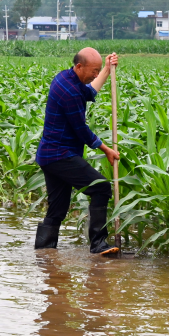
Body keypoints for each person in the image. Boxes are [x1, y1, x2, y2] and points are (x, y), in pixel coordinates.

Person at [34, 48, 121, 256]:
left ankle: (44, 255)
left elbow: (89, 91)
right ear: (79, 66)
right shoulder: (69, 91)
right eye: (94, 70)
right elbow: (81, 130)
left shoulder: (67, 78)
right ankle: (98, 244)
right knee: (100, 188)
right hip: (60, 155)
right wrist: (106, 149)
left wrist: (107, 70)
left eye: (97, 70)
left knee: (57, 210)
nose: (95, 74)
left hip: (50, 155)